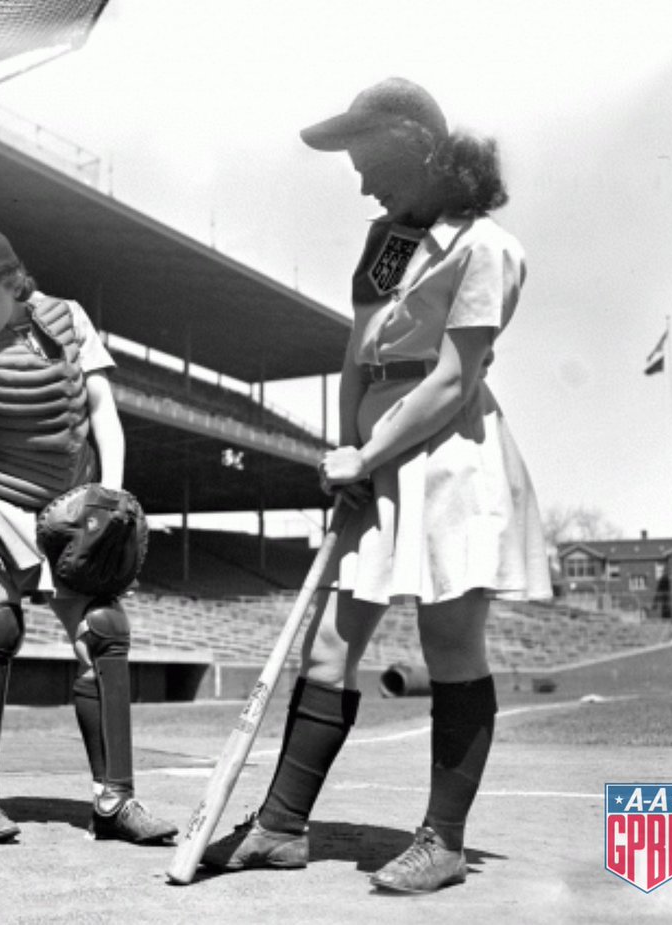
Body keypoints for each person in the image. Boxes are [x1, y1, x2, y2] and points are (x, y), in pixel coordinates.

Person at [203, 77, 551, 892]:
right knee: (331, 643)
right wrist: (347, 448)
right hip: (373, 456)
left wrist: (369, 453)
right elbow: (357, 354)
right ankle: (281, 826)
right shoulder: (385, 241)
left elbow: (453, 380)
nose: (362, 183)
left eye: (370, 164)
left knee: (449, 643)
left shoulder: (487, 247)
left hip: (450, 457)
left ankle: (444, 840)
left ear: (421, 154)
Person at [0, 227, 177, 845]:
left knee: (104, 633)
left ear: (14, 283)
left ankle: (115, 800)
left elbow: (103, 410)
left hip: (71, 506)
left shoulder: (68, 320)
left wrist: (110, 497)